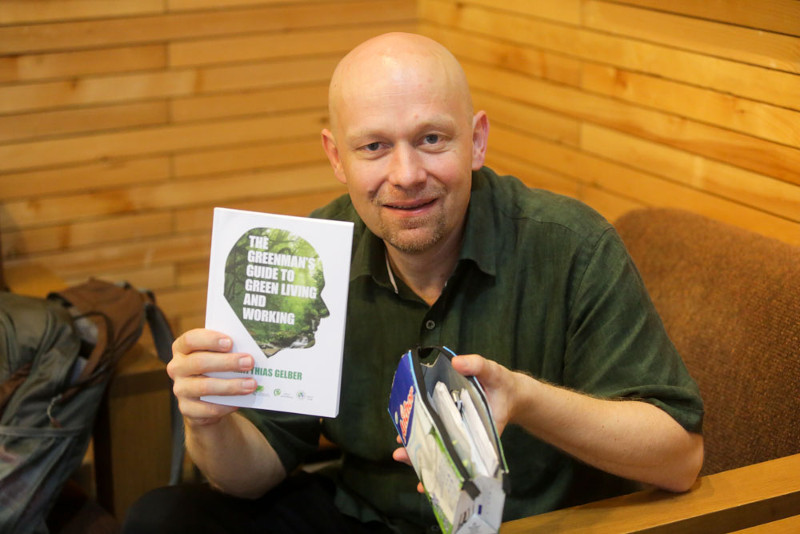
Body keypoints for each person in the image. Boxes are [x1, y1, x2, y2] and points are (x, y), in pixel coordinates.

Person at [123, 32, 703, 534]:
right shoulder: (309, 257)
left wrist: (525, 398)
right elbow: (254, 475)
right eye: (374, 147)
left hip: (521, 525)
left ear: (476, 141)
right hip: (362, 517)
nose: (405, 175)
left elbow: (679, 458)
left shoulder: (571, 246)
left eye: (431, 139)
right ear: (337, 157)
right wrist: (209, 423)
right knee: (163, 517)